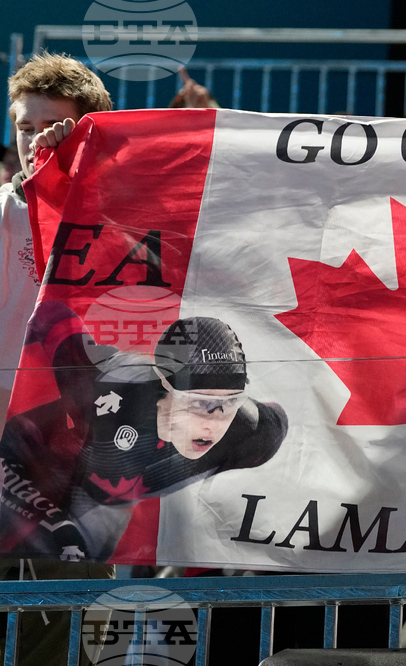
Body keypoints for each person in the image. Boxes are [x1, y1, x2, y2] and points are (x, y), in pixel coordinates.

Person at [0, 302, 289, 561]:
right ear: (164, 383)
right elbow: (50, 313)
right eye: (201, 403)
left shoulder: (254, 431)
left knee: (80, 578)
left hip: (104, 500)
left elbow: (282, 419)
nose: (213, 424)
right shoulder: (104, 387)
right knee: (60, 542)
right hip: (29, 456)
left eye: (230, 404)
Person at [0, 53, 115, 666]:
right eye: (23, 127)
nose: (33, 143)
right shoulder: (1, 212)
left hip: (75, 464)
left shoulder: (121, 224)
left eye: (54, 130)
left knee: (58, 631)